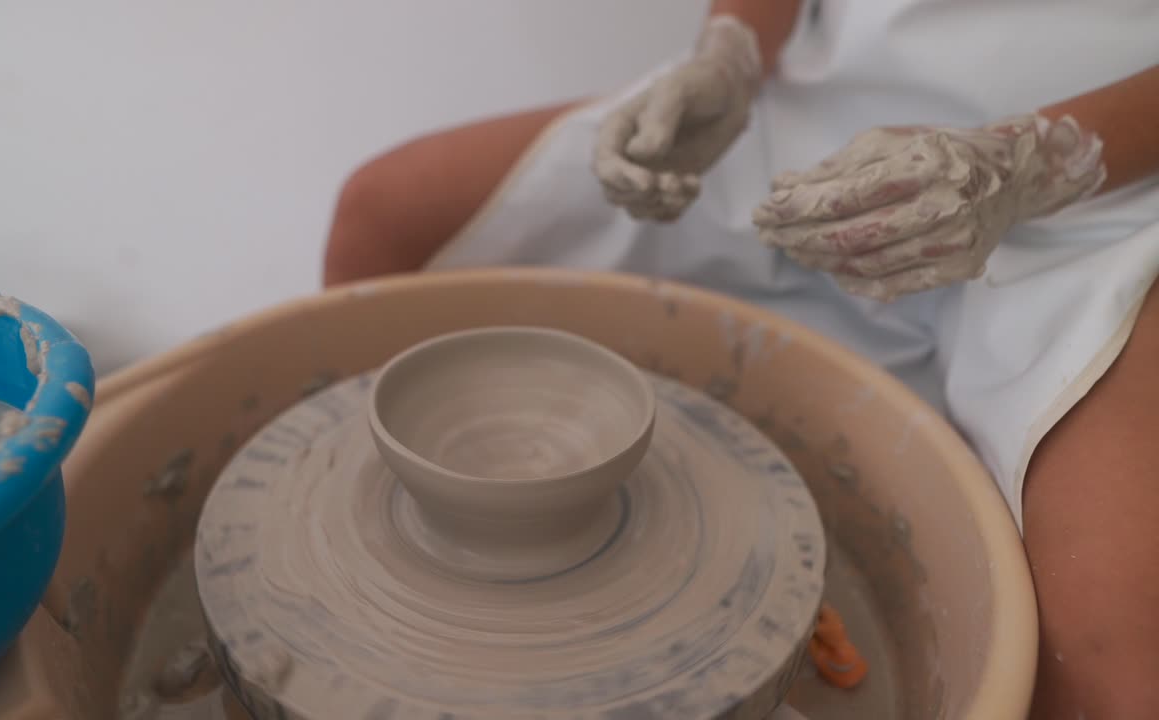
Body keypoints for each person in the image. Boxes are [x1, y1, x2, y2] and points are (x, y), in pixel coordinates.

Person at [323, 1, 1159, 717]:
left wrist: (1031, 165)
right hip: (827, 121)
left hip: (1093, 189)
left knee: (1107, 663)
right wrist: (730, 53)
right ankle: (364, 568)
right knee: (387, 219)